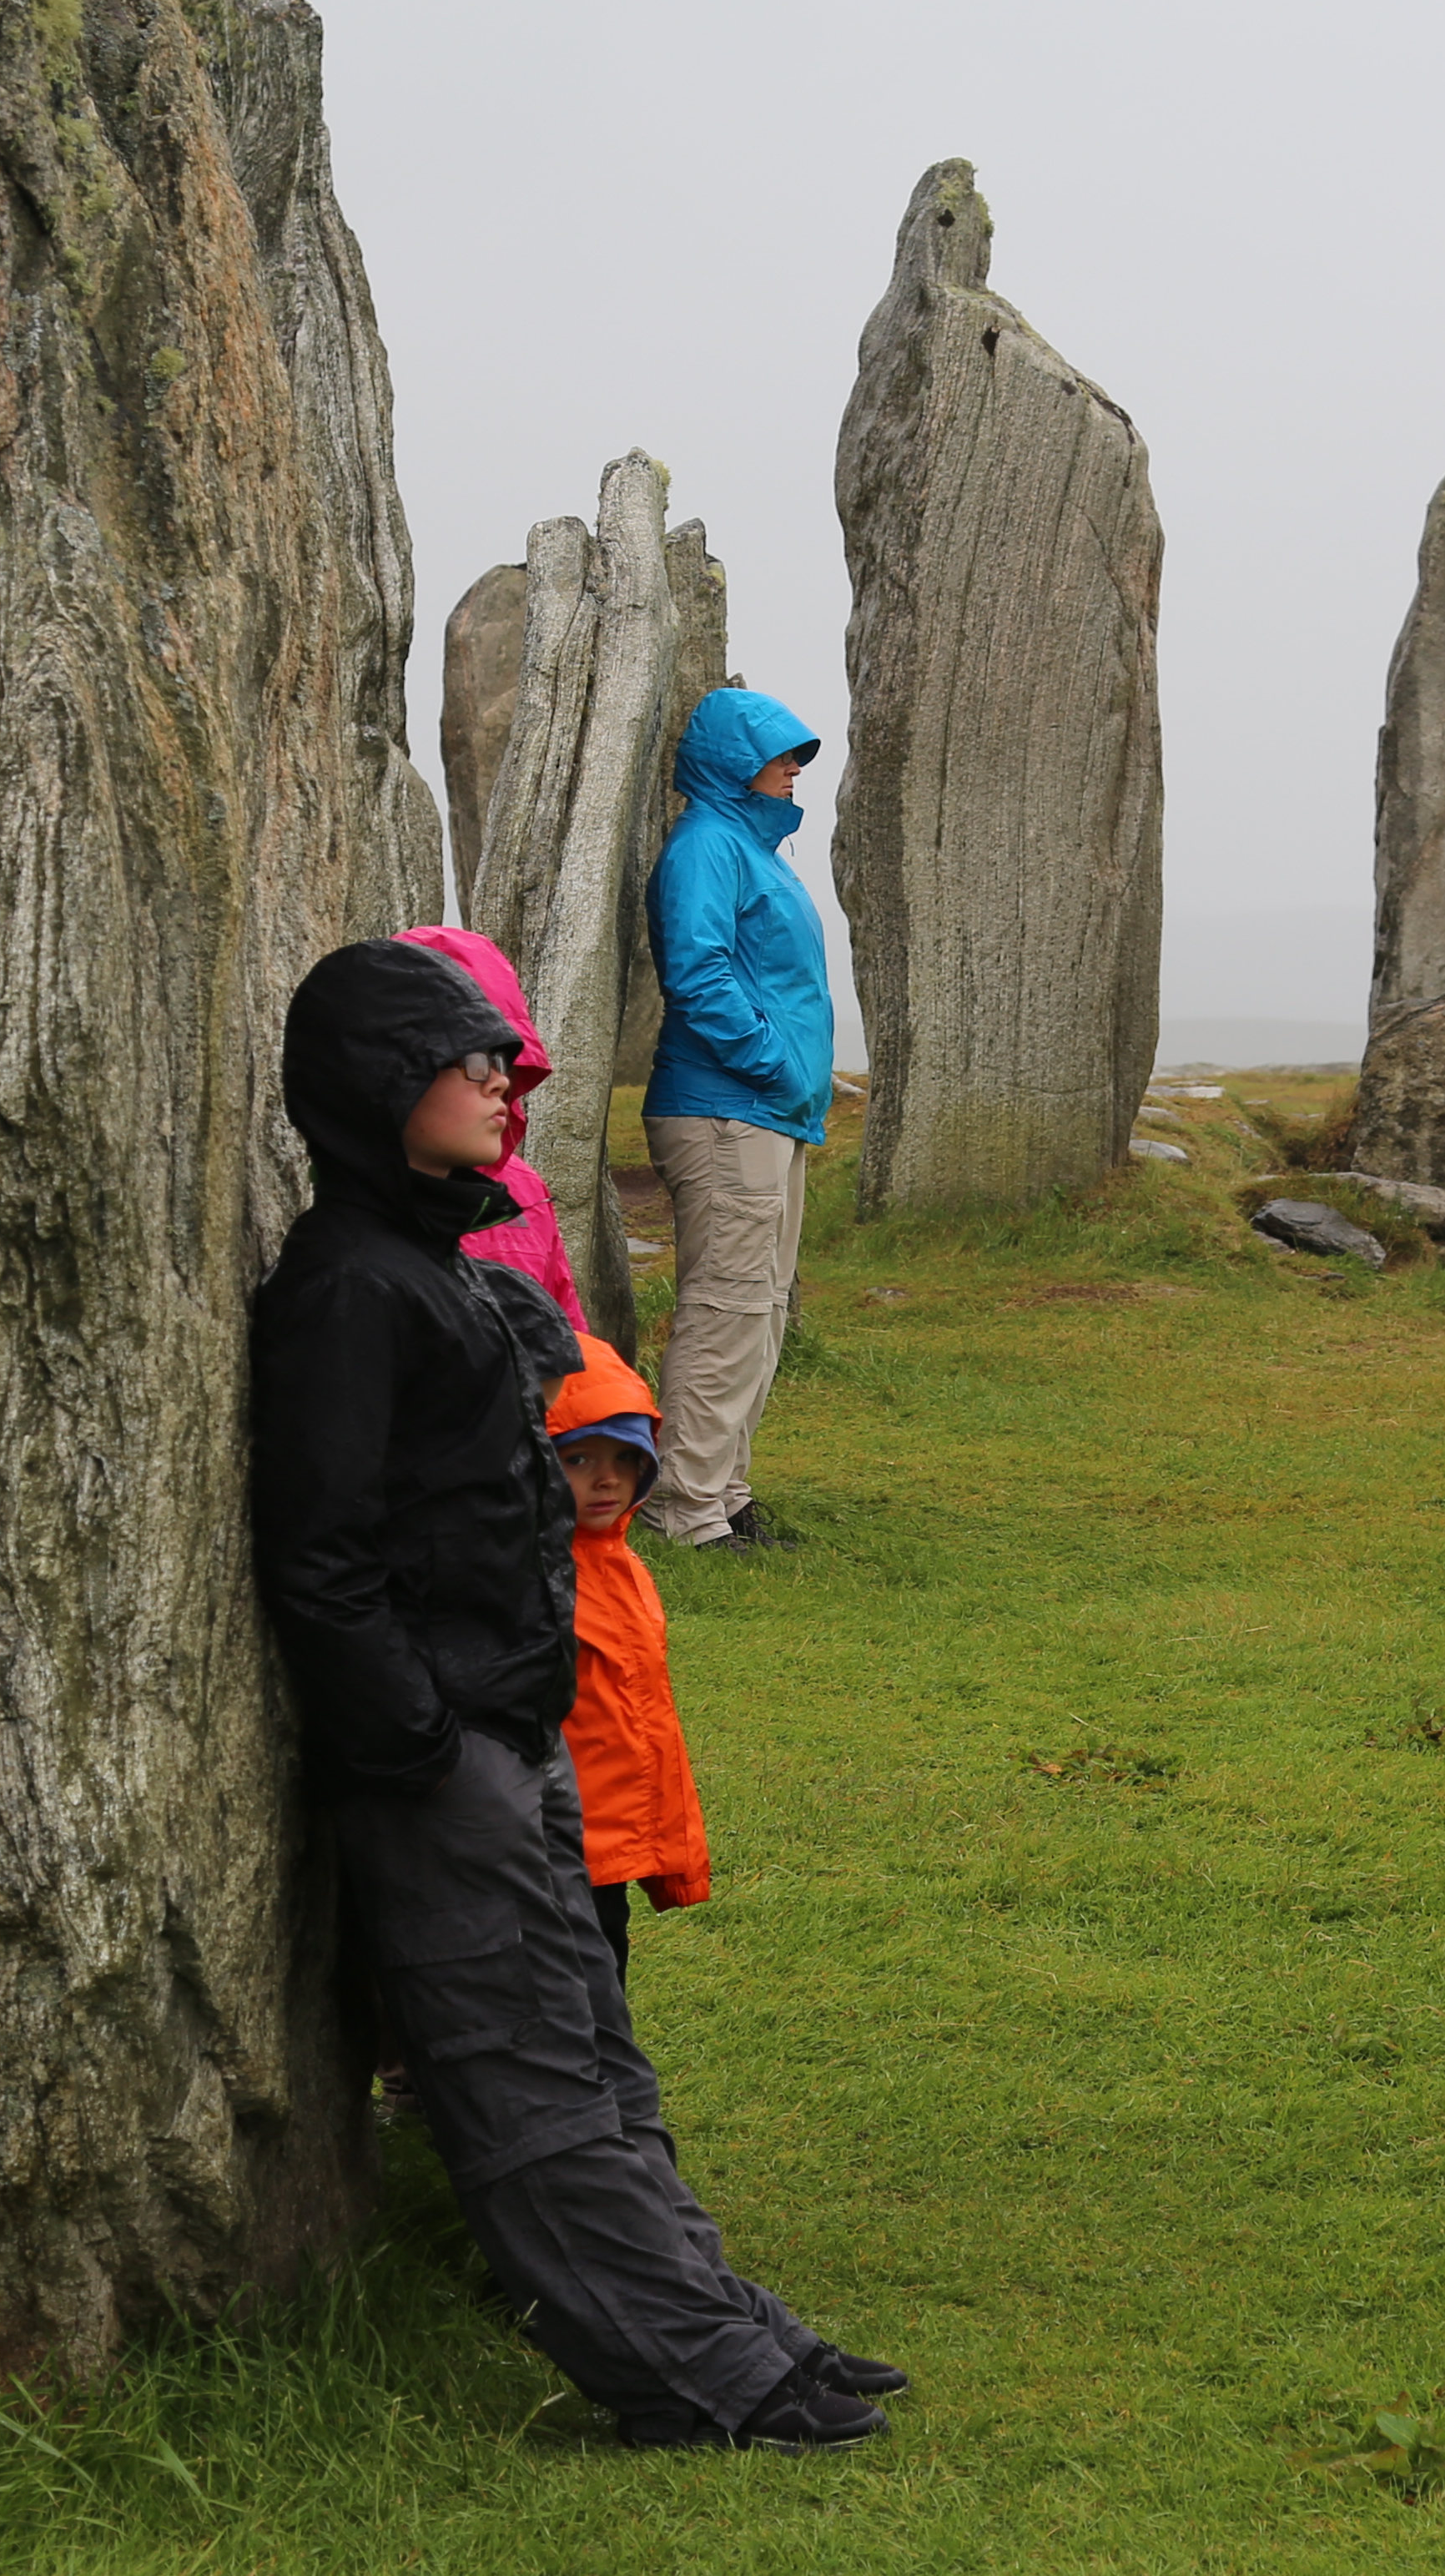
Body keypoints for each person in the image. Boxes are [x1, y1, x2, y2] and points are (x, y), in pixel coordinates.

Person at [249, 935, 900, 2451]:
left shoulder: (432, 1261)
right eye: (466, 1058)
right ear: (376, 1082)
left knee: (595, 2045)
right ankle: (696, 2380)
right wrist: (420, 1737)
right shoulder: (347, 1286)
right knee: (524, 2071)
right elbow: (321, 1552)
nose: (502, 1079)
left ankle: (741, 2334)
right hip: (447, 1751)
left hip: (512, 1723)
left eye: (499, 1056)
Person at [638, 688, 835, 1553]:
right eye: (782, 753)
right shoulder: (707, 849)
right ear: (732, 762)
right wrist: (776, 1065)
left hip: (765, 1113)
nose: (795, 770)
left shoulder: (749, 850)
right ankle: (686, 1512)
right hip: (725, 1112)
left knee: (762, 1309)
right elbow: (699, 974)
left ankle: (724, 1496)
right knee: (727, 1307)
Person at [541, 1332, 714, 1996]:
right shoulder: (529, 1569)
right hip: (550, 1840)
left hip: (604, 1840)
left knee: (599, 1983)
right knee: (564, 1995)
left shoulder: (618, 1563)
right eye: (578, 1458)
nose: (607, 1478)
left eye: (625, 1457)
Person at [395, 922, 587, 1333]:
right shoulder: (347, 1206)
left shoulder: (524, 1192)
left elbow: (575, 1348)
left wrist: (613, 1399)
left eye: (503, 1060)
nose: (499, 1081)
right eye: (475, 1060)